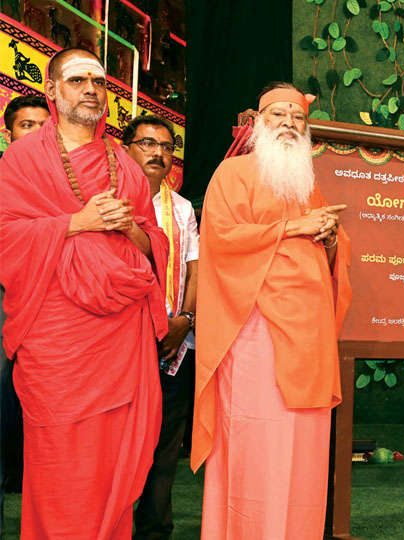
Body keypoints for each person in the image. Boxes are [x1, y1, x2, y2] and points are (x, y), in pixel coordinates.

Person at [0, 47, 168, 539]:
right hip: (56, 340)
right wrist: (78, 222)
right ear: (52, 91)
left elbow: (152, 241)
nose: (91, 88)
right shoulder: (21, 158)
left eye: (98, 80)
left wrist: (130, 230)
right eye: (77, 80)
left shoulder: (125, 164)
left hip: (118, 338)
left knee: (112, 459)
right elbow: (7, 236)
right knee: (59, 463)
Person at [193, 82, 351, 539]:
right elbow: (221, 240)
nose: (288, 124)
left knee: (303, 455)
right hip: (254, 332)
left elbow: (330, 260)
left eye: (297, 118)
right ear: (258, 124)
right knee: (257, 445)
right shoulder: (232, 175)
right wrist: (293, 227)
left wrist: (332, 240)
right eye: (277, 115)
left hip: (309, 342)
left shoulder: (309, 186)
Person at [123, 114, 198, 540]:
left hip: (171, 341)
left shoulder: (182, 208)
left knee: (164, 446)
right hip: (119, 339)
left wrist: (184, 321)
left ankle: (153, 531)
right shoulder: (109, 197)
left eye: (167, 147)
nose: (158, 153)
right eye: (148, 143)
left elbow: (195, 269)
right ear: (127, 147)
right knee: (116, 441)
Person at [0, 93, 49, 536]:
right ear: (8, 132)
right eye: (24, 126)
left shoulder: (64, 181)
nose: (33, 134)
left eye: (41, 125)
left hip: (49, 320)